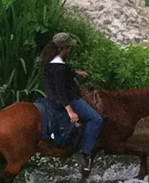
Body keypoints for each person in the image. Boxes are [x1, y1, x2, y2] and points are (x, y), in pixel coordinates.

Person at [40, 32, 102, 171]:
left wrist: (76, 73)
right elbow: (61, 91)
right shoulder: (59, 67)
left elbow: (63, 72)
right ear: (65, 48)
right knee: (96, 119)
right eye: (69, 47)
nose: (70, 49)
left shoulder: (52, 60)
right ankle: (84, 152)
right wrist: (70, 111)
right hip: (68, 98)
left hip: (50, 96)